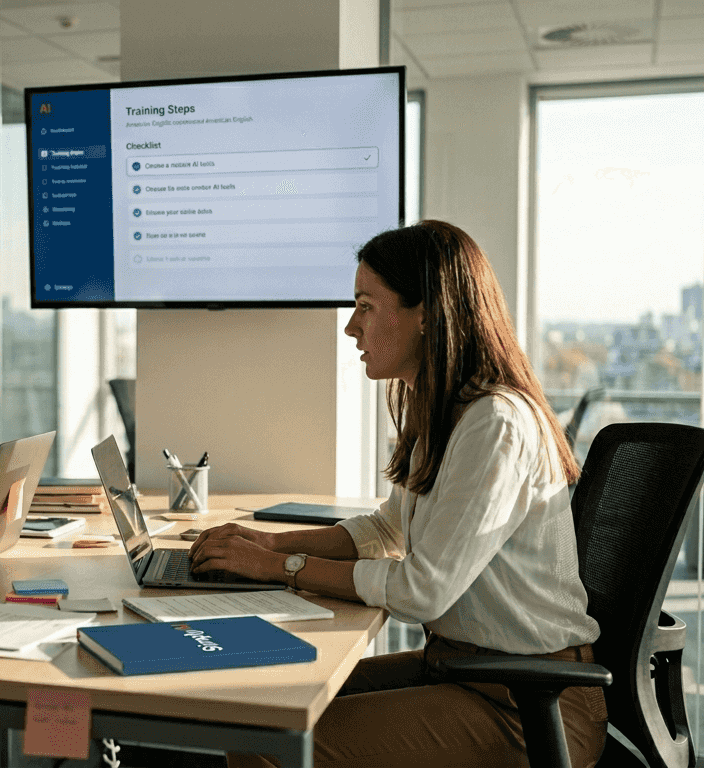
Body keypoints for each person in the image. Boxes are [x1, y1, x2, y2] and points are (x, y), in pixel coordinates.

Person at [189, 220, 606, 768]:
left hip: (528, 705)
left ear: (427, 313)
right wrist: (264, 546)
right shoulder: (441, 408)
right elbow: (385, 530)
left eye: (366, 305)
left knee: (265, 745)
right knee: (265, 706)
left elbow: (421, 591)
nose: (351, 329)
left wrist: (281, 568)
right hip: (468, 672)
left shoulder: (495, 423)